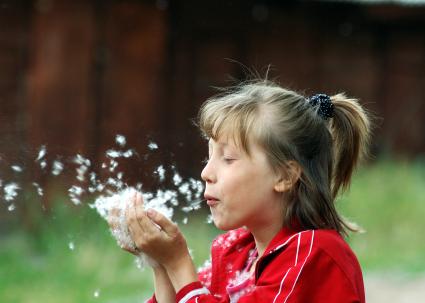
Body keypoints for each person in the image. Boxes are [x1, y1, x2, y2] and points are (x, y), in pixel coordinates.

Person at [116, 79, 371, 303]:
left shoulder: (314, 256)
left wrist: (179, 264)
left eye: (227, 158)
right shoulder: (237, 252)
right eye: (209, 157)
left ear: (285, 175)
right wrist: (160, 264)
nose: (206, 173)